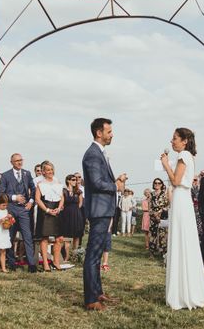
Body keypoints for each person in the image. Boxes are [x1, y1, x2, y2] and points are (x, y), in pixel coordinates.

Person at [161, 127, 204, 310]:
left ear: (184, 141)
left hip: (180, 198)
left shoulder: (183, 156)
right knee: (185, 240)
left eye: (175, 138)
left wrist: (165, 165)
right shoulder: (188, 156)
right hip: (182, 199)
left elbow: (176, 181)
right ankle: (186, 286)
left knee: (181, 239)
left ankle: (182, 291)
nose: (172, 141)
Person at [82, 117, 127, 311]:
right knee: (93, 255)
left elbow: (101, 180)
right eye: (109, 131)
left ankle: (98, 291)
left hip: (103, 209)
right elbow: (96, 183)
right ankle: (91, 299)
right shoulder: (92, 154)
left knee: (98, 253)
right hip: (99, 210)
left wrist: (115, 180)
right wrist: (115, 185)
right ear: (99, 133)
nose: (112, 134)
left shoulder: (99, 153)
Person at [0, 153, 38, 272]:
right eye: (16, 161)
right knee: (10, 236)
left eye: (21, 160)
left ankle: (31, 264)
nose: (19, 162)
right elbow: (0, 194)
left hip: (24, 210)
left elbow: (34, 188)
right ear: (11, 162)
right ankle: (11, 263)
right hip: (10, 209)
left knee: (27, 236)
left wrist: (31, 201)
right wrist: (14, 197)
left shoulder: (27, 173)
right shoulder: (5, 176)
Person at [34, 160, 65, 271]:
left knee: (59, 238)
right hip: (45, 212)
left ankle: (56, 262)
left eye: (51, 169)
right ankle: (46, 264)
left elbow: (62, 197)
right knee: (45, 237)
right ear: (43, 172)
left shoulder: (57, 183)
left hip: (57, 211)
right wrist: (47, 210)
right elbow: (37, 199)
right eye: (48, 170)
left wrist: (59, 207)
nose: (50, 171)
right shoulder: (40, 184)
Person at [61, 173, 84, 260]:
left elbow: (80, 203)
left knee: (76, 235)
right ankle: (66, 256)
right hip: (66, 215)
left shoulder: (78, 191)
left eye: (76, 180)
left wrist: (75, 211)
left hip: (77, 214)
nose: (76, 181)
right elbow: (62, 203)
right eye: (73, 180)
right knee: (67, 236)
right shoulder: (63, 191)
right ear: (68, 181)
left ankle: (74, 255)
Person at [149, 178, 169, 257]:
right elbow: (149, 206)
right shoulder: (151, 194)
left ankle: (163, 253)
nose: (157, 184)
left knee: (163, 234)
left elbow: (167, 205)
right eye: (155, 183)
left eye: (159, 183)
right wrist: (154, 214)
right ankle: (151, 253)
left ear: (161, 184)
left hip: (162, 216)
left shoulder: (164, 194)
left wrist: (159, 212)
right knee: (153, 234)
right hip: (153, 217)